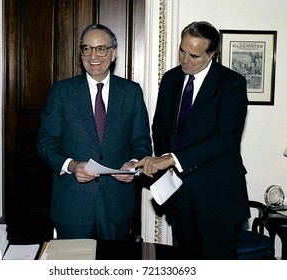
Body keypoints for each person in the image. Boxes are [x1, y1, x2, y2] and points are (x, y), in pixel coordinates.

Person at [134, 21, 250, 259]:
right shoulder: (171, 79)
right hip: (180, 195)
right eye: (182, 50)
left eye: (194, 55)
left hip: (217, 196)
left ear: (211, 55)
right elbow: (161, 127)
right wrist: (164, 164)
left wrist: (172, 159)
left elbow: (224, 138)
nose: (185, 59)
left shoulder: (231, 84)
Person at [38, 24, 152, 241]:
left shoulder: (131, 92)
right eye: (87, 49)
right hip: (72, 204)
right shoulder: (62, 91)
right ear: (80, 52)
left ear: (114, 52)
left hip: (116, 204)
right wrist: (71, 166)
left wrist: (133, 164)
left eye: (101, 48)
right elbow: (46, 142)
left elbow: (141, 140)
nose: (93, 56)